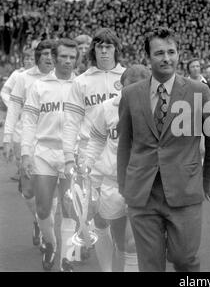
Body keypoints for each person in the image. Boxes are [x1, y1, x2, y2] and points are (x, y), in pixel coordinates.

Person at [117, 27, 210, 272]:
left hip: (184, 190)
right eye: (159, 53)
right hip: (143, 193)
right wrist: (124, 184)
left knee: (184, 259)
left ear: (179, 54)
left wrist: (208, 180)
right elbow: (125, 143)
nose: (167, 58)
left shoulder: (199, 91)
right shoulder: (131, 94)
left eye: (172, 52)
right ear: (148, 58)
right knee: (150, 264)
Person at [63, 28, 126, 271]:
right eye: (99, 46)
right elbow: (71, 121)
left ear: (116, 49)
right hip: (91, 157)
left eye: (108, 46)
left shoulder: (130, 78)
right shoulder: (82, 82)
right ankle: (106, 269)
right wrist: (69, 156)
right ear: (93, 50)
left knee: (123, 223)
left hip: (123, 158)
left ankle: (127, 262)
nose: (103, 50)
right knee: (99, 219)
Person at [84, 65, 150, 272]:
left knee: (132, 244)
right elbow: (96, 140)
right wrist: (87, 169)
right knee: (118, 239)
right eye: (131, 86)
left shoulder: (158, 110)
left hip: (142, 184)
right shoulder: (106, 108)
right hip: (112, 182)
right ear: (121, 86)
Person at [20, 38, 78, 271]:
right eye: (63, 56)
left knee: (69, 208)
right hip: (44, 152)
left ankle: (67, 257)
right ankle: (51, 242)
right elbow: (29, 121)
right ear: (54, 58)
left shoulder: (81, 85)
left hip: (72, 154)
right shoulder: (39, 86)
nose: (67, 61)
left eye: (72, 57)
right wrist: (25, 153)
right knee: (43, 208)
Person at [2, 40, 54, 250]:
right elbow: (13, 109)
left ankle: (47, 235)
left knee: (49, 191)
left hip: (51, 141)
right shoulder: (23, 78)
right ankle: (37, 219)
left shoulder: (63, 77)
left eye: (53, 54)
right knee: (29, 191)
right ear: (37, 57)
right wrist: (7, 138)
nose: (50, 58)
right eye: (45, 54)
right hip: (26, 139)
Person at [1, 48, 35, 182]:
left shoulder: (44, 76)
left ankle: (30, 171)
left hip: (34, 118)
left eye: (31, 58)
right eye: (26, 59)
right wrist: (15, 107)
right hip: (20, 118)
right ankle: (20, 169)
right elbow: (4, 92)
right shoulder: (17, 74)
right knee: (18, 143)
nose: (29, 61)